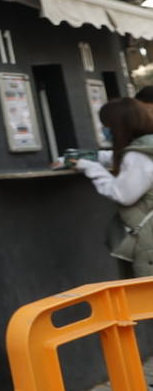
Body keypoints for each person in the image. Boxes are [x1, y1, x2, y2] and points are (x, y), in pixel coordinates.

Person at [71, 97, 153, 277]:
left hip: (148, 241)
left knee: (144, 297)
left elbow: (122, 194)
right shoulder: (147, 146)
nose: (105, 130)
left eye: (107, 125)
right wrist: (82, 158)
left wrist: (91, 168)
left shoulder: (139, 156)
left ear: (119, 125)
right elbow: (115, 157)